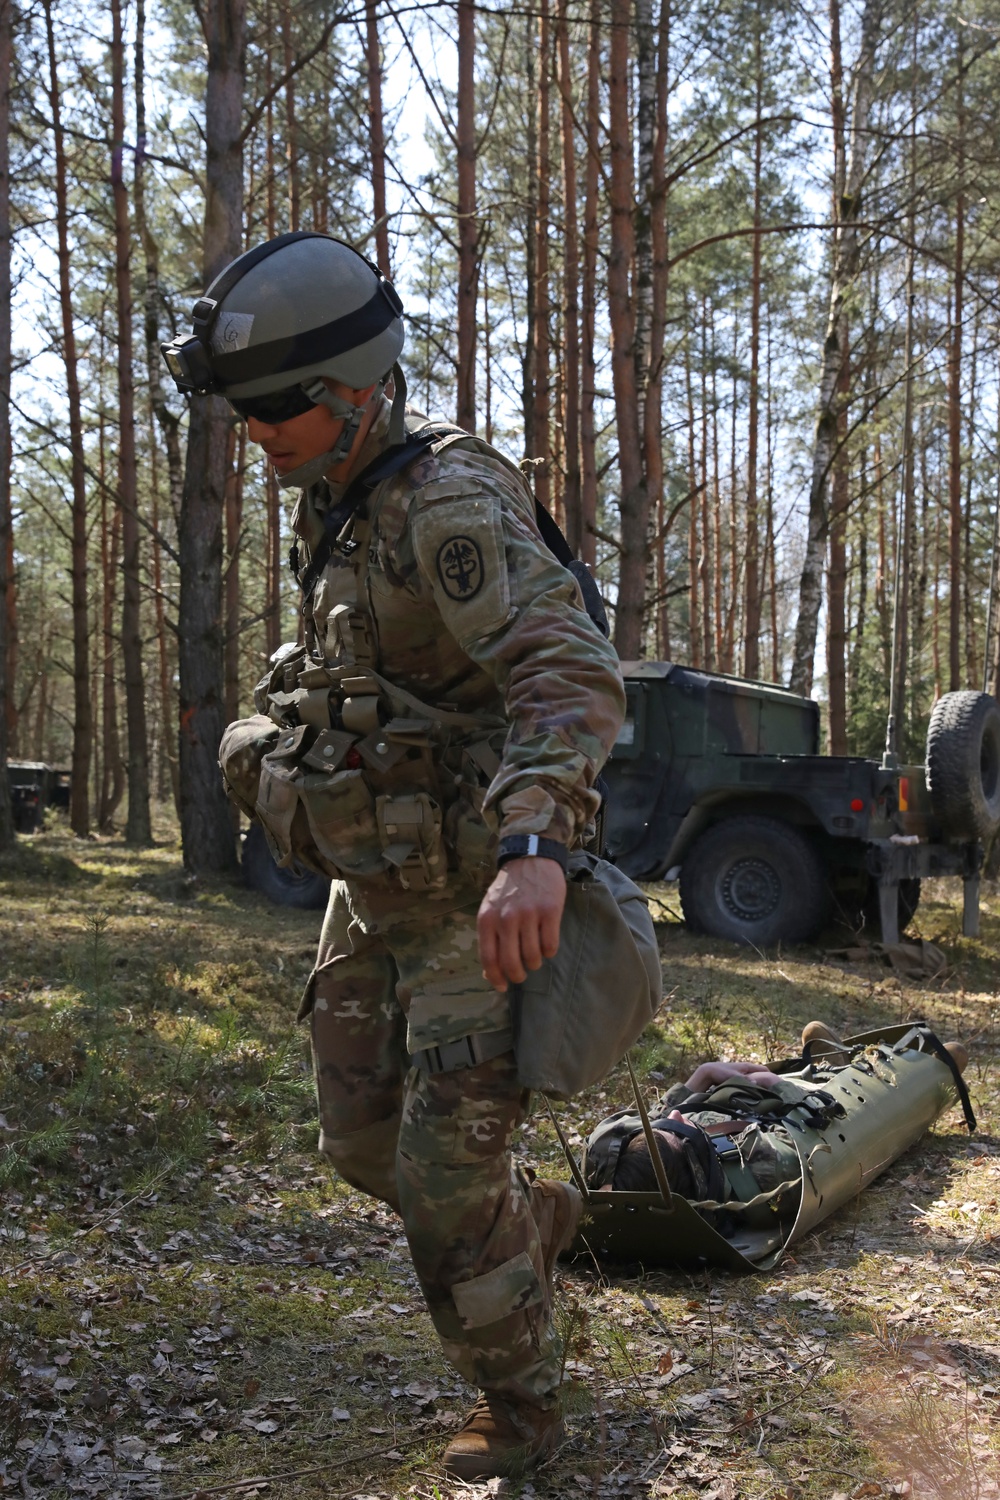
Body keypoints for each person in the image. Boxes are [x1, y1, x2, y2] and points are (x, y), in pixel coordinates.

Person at [162, 231, 627, 1481]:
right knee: (362, 1144)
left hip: (478, 895)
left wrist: (533, 845)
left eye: (273, 417)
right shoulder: (337, 495)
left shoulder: (446, 503)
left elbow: (570, 669)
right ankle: (527, 1226)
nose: (255, 440)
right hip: (375, 889)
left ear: (350, 396)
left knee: (438, 1185)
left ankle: (527, 1413)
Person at [585, 1021, 970, 1212]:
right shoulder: (759, 1170)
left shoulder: (632, 1166)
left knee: (721, 1087)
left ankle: (821, 1063)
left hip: (731, 1098)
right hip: (784, 1109)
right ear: (693, 1157)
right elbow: (817, 1124)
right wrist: (774, 1083)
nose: (674, 1119)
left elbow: (660, 1125)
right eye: (678, 1133)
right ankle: (832, 1068)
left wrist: (702, 1075)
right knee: (950, 1058)